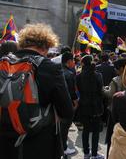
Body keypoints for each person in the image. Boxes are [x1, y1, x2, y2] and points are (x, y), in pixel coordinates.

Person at [0, 23, 74, 159]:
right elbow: (67, 110)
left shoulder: (3, 63)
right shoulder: (49, 67)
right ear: (46, 45)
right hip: (38, 144)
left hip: (5, 143)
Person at [76, 55, 104, 159]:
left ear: (82, 63)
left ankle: (86, 153)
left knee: (85, 130)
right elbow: (101, 90)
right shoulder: (98, 75)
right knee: (96, 131)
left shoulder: (78, 76)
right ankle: (94, 154)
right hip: (96, 105)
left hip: (84, 105)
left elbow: (78, 89)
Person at [104, 58, 126, 158]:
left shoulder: (116, 80)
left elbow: (110, 94)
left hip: (115, 111)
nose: (115, 70)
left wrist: (102, 89)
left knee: (112, 136)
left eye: (116, 68)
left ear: (122, 68)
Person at [61, 52, 78, 155]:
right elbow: (72, 91)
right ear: (69, 61)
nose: (74, 63)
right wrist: (75, 102)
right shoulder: (69, 74)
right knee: (65, 126)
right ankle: (64, 147)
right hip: (67, 103)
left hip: (57, 102)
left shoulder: (57, 70)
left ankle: (61, 145)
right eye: (73, 61)